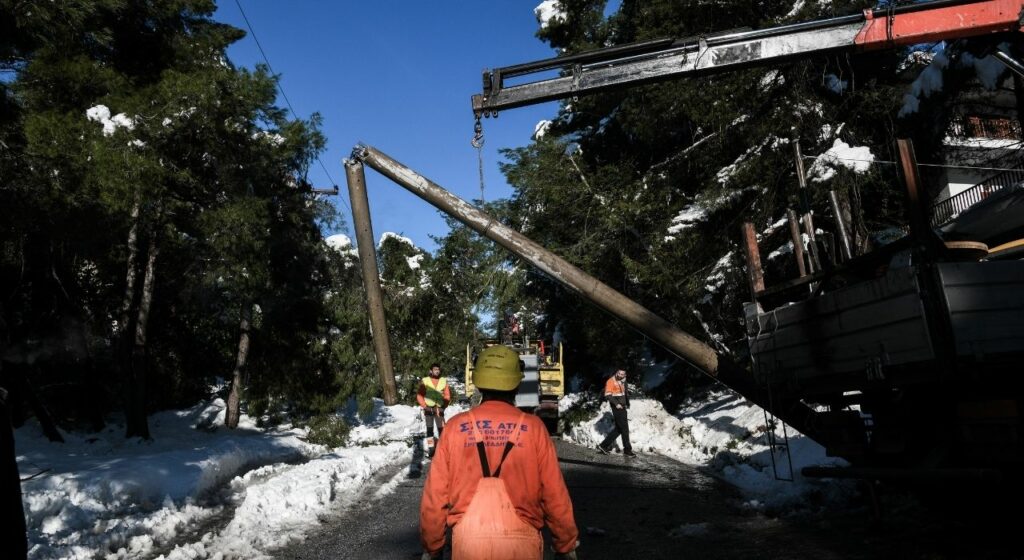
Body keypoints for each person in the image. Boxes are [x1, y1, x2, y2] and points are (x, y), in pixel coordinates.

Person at [420, 345, 579, 560]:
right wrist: (565, 543)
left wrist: (433, 546)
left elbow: (435, 494)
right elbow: (554, 493)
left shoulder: (455, 428)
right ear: (516, 382)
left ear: (478, 381)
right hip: (523, 545)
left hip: (468, 545)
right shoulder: (534, 428)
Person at [598, 369, 635, 457]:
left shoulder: (623, 381)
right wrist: (616, 404)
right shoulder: (611, 381)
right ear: (616, 373)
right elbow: (608, 394)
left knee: (619, 429)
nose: (620, 375)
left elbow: (624, 393)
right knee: (625, 429)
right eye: (619, 373)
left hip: (623, 406)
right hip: (617, 407)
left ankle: (603, 445)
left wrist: (627, 403)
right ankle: (627, 450)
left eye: (623, 374)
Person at [417, 363, 451, 451]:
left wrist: (444, 406)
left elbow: (447, 395)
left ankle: (443, 449)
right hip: (428, 409)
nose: (437, 371)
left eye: (438, 369)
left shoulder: (443, 381)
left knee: (442, 430)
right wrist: (424, 406)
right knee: (429, 430)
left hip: (439, 409)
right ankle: (431, 448)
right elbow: (419, 395)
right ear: (431, 370)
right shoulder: (425, 380)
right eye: (435, 369)